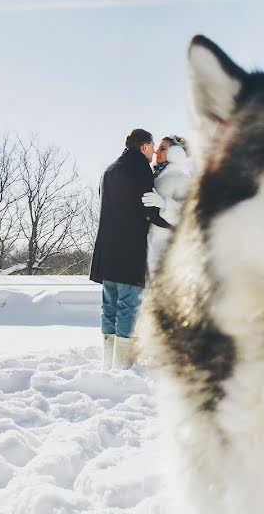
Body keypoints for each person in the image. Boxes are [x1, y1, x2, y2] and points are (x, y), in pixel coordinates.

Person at [90, 129, 170, 369]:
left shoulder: (109, 170)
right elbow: (148, 208)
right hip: (129, 250)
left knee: (109, 306)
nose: (154, 151)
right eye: (153, 146)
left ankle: (107, 363)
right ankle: (122, 366)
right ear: (144, 146)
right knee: (128, 306)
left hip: (107, 250)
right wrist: (173, 221)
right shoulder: (139, 168)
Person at [142, 135, 192, 273]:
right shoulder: (152, 176)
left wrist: (165, 205)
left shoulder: (182, 179)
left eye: (162, 148)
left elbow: (188, 215)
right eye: (157, 148)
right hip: (145, 248)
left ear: (175, 153)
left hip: (167, 249)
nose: (156, 152)